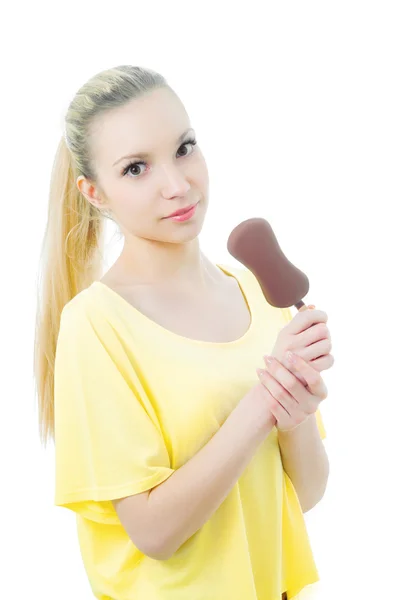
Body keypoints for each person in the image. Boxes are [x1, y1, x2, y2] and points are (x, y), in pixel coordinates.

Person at [33, 65, 332, 600]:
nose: (177, 184)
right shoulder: (97, 325)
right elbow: (154, 533)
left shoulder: (255, 291)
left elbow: (305, 494)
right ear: (94, 193)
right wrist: (266, 397)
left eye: (184, 148)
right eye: (136, 168)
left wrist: (296, 410)